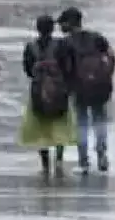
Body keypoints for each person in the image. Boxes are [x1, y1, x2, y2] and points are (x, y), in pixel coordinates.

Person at [57, 7, 115, 173]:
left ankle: (83, 160)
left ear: (69, 23)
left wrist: (66, 88)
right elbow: (112, 55)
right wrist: (107, 75)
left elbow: (62, 69)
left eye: (62, 23)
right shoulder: (97, 38)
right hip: (99, 86)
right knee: (99, 119)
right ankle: (102, 153)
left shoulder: (65, 43)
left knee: (81, 122)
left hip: (79, 88)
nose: (60, 27)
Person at [19, 15, 75, 176]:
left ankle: (45, 161)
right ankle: (59, 158)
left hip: (38, 91)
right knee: (59, 124)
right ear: (52, 29)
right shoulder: (61, 45)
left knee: (41, 127)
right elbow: (68, 67)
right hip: (59, 90)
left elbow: (28, 70)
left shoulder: (30, 47)